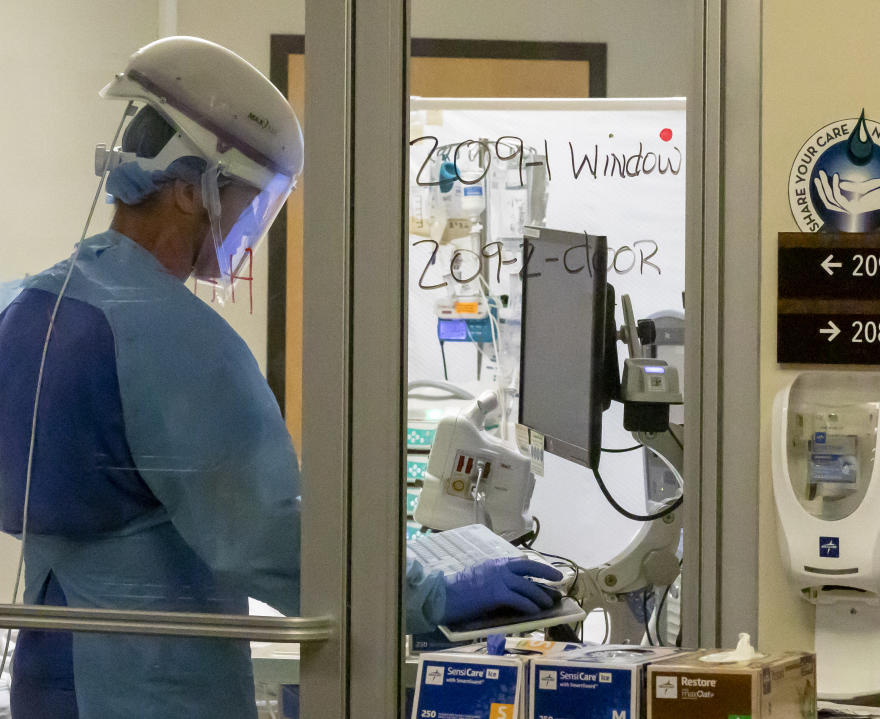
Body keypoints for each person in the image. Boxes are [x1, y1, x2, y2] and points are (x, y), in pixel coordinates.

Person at [0, 37, 560, 718]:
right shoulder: (176, 340)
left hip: (46, 678)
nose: (245, 223)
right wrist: (429, 596)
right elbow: (272, 537)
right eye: (245, 199)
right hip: (154, 690)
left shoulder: (23, 305)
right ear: (187, 189)